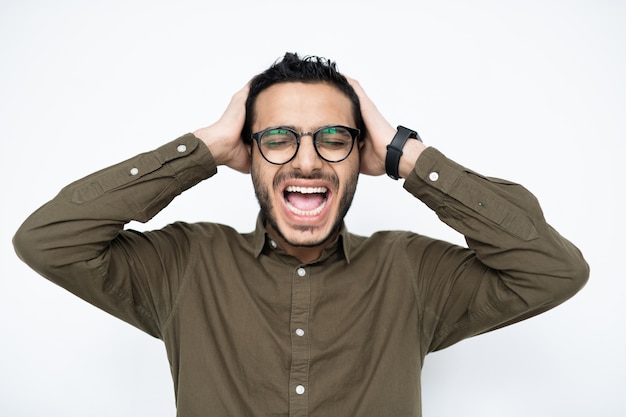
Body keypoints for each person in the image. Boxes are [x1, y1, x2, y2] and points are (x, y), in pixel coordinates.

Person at [13, 52, 589, 417]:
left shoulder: (411, 272)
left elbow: (552, 270)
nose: (308, 162)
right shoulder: (186, 265)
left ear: (359, 153)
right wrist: (202, 150)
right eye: (280, 138)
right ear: (250, 153)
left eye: (333, 138)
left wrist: (403, 154)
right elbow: (48, 240)